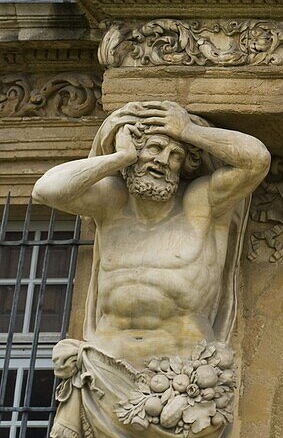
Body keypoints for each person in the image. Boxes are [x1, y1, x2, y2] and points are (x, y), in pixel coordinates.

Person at [32, 101, 270, 438]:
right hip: (102, 378)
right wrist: (118, 159)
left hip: (182, 390)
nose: (163, 160)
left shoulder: (200, 205)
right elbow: (46, 190)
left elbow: (256, 160)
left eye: (175, 154)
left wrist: (187, 131)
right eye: (154, 148)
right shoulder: (111, 205)